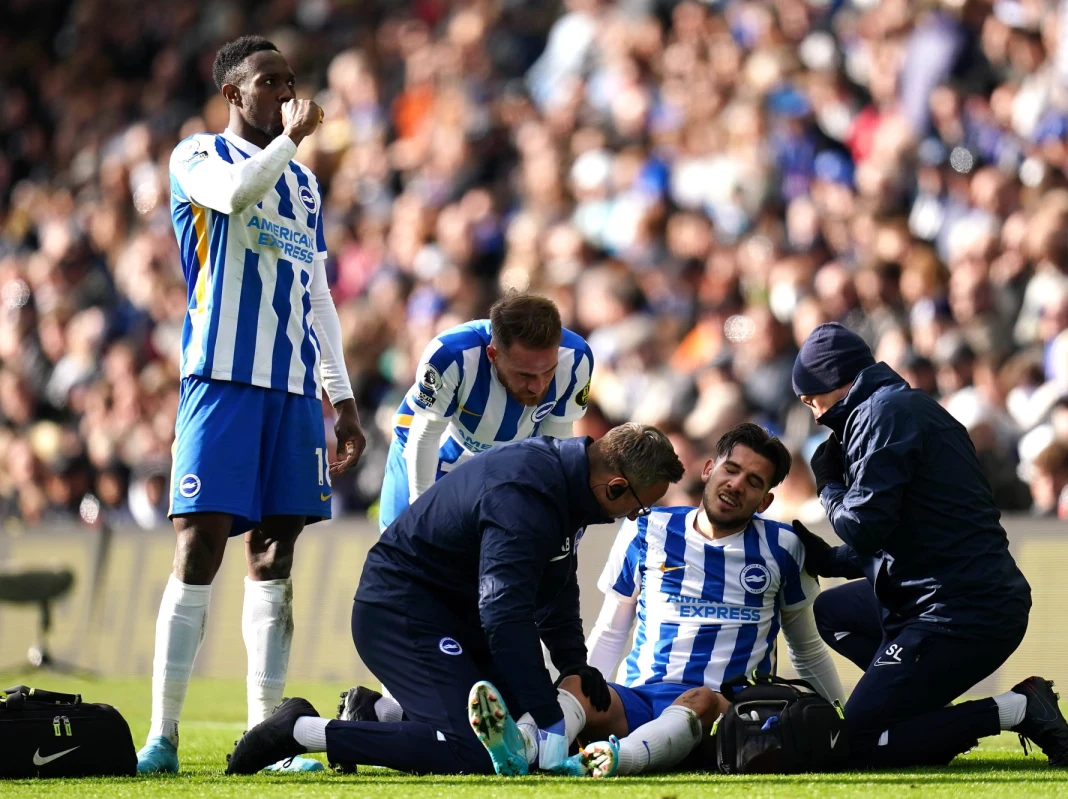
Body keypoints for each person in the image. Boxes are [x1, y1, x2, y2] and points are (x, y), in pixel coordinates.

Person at [137, 36, 366, 775]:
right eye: (269, 81)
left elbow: (318, 289)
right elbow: (235, 200)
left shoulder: (304, 187)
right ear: (234, 94)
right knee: (200, 545)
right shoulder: (196, 156)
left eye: (290, 82)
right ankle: (162, 735)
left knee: (275, 554)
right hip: (222, 379)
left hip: (294, 389)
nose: (285, 92)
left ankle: (263, 739)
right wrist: (295, 139)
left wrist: (343, 394)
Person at [223, 424, 684, 776]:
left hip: (455, 616)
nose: (634, 516)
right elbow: (504, 613)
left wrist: (572, 664)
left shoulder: (569, 485)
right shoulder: (526, 494)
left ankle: (381, 713)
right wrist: (548, 713)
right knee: (474, 752)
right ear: (617, 487)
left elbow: (557, 585)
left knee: (515, 732)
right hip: (403, 611)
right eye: (639, 507)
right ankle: (301, 731)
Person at [792, 322, 1068, 769]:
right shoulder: (904, 408)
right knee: (834, 612)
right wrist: (831, 560)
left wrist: (827, 487)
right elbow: (913, 532)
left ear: (834, 379)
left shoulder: (880, 415)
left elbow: (864, 526)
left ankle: (1018, 708)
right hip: (954, 595)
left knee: (861, 742)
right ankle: (918, 719)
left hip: (960, 610)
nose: (814, 414)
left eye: (812, 400)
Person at [553, 423, 847, 778]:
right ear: (709, 469)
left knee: (700, 698)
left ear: (765, 501)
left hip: (724, 716)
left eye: (754, 482)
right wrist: (594, 688)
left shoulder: (784, 547)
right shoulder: (645, 528)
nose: (736, 485)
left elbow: (807, 648)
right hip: (640, 702)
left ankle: (618, 758)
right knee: (576, 684)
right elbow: (612, 630)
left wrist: (842, 721)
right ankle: (535, 749)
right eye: (732, 469)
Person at [378, 291, 593, 530]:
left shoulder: (577, 359)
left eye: (548, 371)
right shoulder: (451, 354)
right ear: (493, 355)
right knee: (402, 551)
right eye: (525, 374)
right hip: (430, 454)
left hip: (500, 465)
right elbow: (426, 435)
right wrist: (423, 513)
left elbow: (553, 444)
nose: (538, 386)